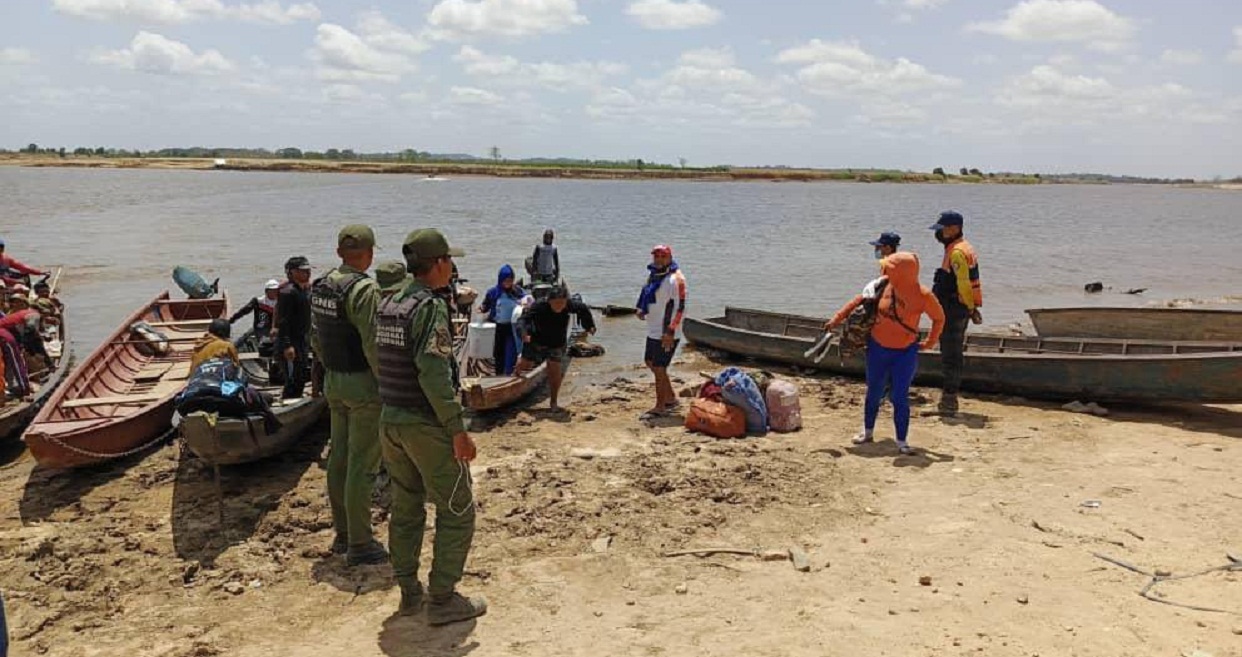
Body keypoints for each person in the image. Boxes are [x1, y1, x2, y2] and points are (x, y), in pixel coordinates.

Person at [377, 228, 487, 625]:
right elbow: (433, 373)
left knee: (406, 506)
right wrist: (457, 428)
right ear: (438, 264)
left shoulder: (389, 301)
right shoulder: (429, 307)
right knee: (457, 507)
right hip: (425, 423)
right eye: (450, 261)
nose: (453, 268)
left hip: (390, 419)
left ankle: (409, 592)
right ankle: (442, 599)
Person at [310, 225, 388, 566]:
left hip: (334, 380)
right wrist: (388, 384)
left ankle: (342, 534)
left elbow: (315, 336)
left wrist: (328, 371)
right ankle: (360, 542)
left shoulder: (323, 284)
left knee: (338, 458)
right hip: (362, 385)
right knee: (362, 465)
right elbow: (373, 344)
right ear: (370, 254)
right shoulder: (365, 289)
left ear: (340, 252)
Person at [825, 252, 945, 455]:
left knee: (899, 397)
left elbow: (939, 318)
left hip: (905, 354)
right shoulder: (882, 285)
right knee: (873, 392)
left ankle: (901, 441)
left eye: (889, 267)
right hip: (877, 349)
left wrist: (930, 342)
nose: (884, 270)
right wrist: (836, 319)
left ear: (901, 272)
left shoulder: (923, 295)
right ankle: (868, 432)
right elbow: (857, 302)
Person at [929, 211, 983, 416]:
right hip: (955, 307)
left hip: (954, 308)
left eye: (942, 229)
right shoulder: (959, 248)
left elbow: (963, 284)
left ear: (954, 229)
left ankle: (949, 401)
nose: (939, 234)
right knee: (952, 351)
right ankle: (949, 397)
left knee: (951, 354)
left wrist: (970, 308)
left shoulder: (958, 252)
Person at [515, 283, 596, 411]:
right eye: (556, 303)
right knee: (525, 364)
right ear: (549, 301)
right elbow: (523, 320)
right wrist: (523, 334)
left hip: (556, 342)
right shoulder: (539, 306)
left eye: (562, 303)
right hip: (536, 340)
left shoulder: (569, 304)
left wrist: (589, 325)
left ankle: (553, 402)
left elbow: (583, 309)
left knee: (555, 371)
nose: (559, 306)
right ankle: (514, 384)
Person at [636, 244, 687, 420]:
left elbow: (680, 308)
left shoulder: (676, 279)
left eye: (662, 256)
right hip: (653, 329)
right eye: (656, 256)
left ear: (670, 257)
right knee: (650, 362)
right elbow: (647, 294)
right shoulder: (654, 275)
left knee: (659, 367)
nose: (658, 259)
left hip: (667, 332)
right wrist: (641, 309)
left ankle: (660, 406)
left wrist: (670, 332)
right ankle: (671, 398)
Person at [276, 256, 313, 399]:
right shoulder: (288, 292)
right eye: (303, 270)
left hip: (301, 339)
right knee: (292, 379)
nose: (307, 273)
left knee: (301, 376)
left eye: (308, 270)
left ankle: (295, 400)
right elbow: (283, 320)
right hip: (290, 342)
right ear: (291, 272)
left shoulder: (301, 290)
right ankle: (287, 404)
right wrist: (287, 345)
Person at [478, 265, 526, 376]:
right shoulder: (493, 292)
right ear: (500, 280)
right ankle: (499, 374)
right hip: (497, 327)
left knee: (510, 351)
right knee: (498, 352)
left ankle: (509, 373)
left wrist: (526, 302)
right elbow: (486, 305)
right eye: (506, 280)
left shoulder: (517, 291)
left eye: (510, 280)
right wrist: (481, 309)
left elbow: (526, 299)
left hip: (511, 327)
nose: (508, 283)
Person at [0, 299, 41, 399]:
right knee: (16, 362)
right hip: (5, 337)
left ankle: (21, 388)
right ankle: (23, 388)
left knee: (14, 362)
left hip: (6, 337)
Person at [229, 279, 279, 356]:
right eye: (272, 290)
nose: (274, 292)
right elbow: (243, 311)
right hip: (260, 329)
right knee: (243, 339)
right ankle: (229, 351)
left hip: (276, 330)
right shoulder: (258, 301)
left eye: (276, 290)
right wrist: (231, 320)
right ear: (266, 291)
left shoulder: (282, 302)